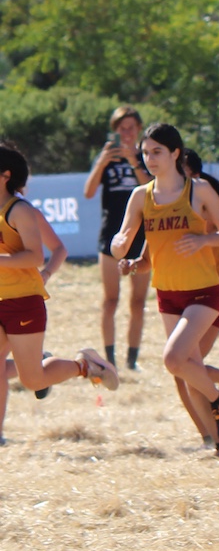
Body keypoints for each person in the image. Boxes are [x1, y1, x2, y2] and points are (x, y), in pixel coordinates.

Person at [112, 125, 219, 449]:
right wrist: (124, 252)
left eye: (156, 152)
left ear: (175, 153)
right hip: (167, 293)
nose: (149, 159)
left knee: (174, 359)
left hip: (204, 292)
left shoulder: (197, 191)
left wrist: (203, 240)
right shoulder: (140, 196)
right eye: (146, 153)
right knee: (188, 372)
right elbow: (123, 239)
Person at [0, 142, 121, 445]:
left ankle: (87, 366)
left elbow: (39, 255)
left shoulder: (21, 210)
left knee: (33, 380)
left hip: (23, 302)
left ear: (5, 175)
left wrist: (45, 274)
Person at [85, 105, 152, 371]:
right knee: (110, 300)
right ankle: (109, 359)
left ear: (138, 130)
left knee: (138, 301)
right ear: (114, 131)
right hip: (111, 236)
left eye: (131, 128)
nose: (126, 133)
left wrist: (134, 160)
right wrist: (102, 161)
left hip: (142, 237)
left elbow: (150, 188)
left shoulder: (147, 156)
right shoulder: (106, 158)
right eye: (121, 128)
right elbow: (89, 192)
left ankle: (132, 360)